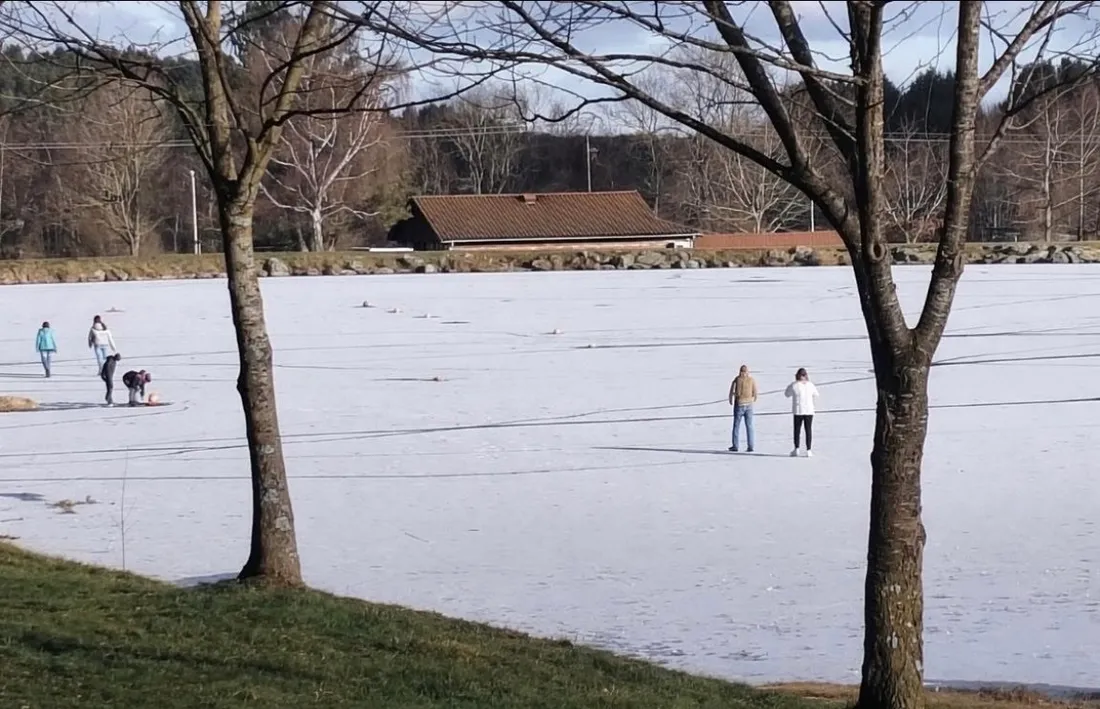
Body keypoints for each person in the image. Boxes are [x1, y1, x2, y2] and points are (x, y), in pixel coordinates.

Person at [785, 368, 820, 457]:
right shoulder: (810, 385)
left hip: (798, 410)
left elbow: (787, 394)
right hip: (809, 410)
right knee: (808, 430)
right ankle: (808, 449)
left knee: (797, 430)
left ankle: (797, 448)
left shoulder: (794, 385)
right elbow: (816, 394)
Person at [727, 364, 758, 453]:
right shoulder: (751, 380)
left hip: (739, 404)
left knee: (736, 425)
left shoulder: (737, 379)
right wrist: (754, 398)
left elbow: (731, 389)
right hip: (749, 405)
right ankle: (751, 445)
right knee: (749, 426)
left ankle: (735, 445)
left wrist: (730, 398)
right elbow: (755, 391)